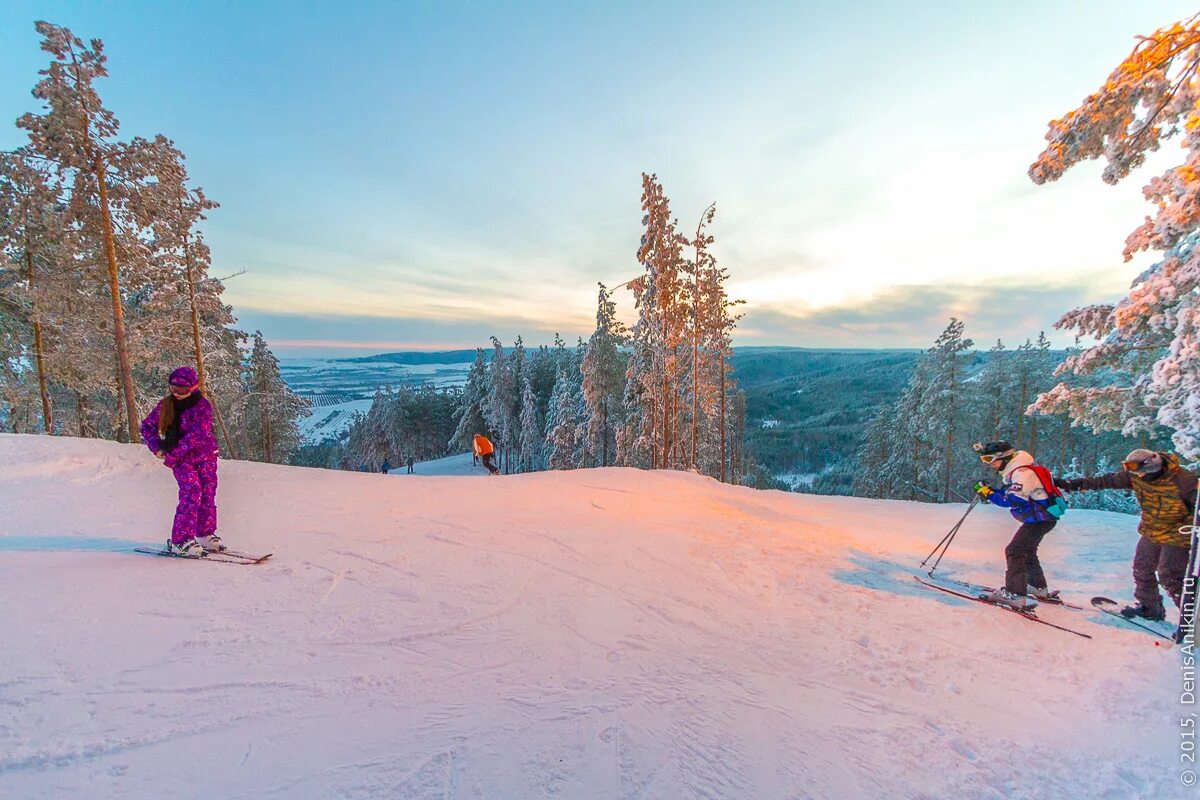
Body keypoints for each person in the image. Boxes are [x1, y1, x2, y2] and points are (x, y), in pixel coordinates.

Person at [1055, 449, 1196, 622]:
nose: (1138, 475)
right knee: (1142, 569)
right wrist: (1072, 484)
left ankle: (1192, 620)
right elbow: (1106, 481)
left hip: (1178, 534)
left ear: (1152, 467)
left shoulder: (1184, 480)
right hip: (1152, 530)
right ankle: (1150, 608)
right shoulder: (1135, 476)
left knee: (1169, 575)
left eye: (1140, 471)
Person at [140, 367, 223, 557]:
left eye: (182, 390)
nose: (176, 393)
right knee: (192, 493)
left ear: (193, 388)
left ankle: (204, 534)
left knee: (208, 493)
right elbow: (147, 426)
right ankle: (181, 539)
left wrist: (172, 454)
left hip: (205, 456)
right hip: (182, 460)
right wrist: (157, 447)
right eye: (173, 388)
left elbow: (197, 434)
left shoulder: (202, 406)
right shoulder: (165, 406)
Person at [971, 441, 1065, 610]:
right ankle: (1037, 587)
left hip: (1038, 520)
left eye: (989, 459)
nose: (989, 464)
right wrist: (990, 490)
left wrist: (989, 494)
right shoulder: (1018, 470)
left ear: (1004, 457)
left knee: (1014, 551)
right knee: (1027, 551)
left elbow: (1013, 499)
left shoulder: (1022, 472)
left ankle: (1015, 593)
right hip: (1042, 519)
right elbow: (1010, 494)